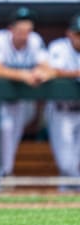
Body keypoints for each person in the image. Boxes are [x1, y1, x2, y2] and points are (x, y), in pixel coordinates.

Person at [0, 7, 53, 179]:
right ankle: (2, 174)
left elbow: (47, 66)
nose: (25, 34)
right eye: (21, 30)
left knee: (11, 138)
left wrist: (41, 73)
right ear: (11, 29)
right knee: (4, 129)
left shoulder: (35, 41)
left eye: (28, 30)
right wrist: (22, 75)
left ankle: (4, 174)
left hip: (19, 103)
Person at [46, 13, 80, 186]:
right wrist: (76, 74)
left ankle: (68, 197)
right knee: (66, 163)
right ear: (70, 33)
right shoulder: (59, 47)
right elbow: (52, 71)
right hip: (62, 111)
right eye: (78, 34)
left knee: (75, 162)